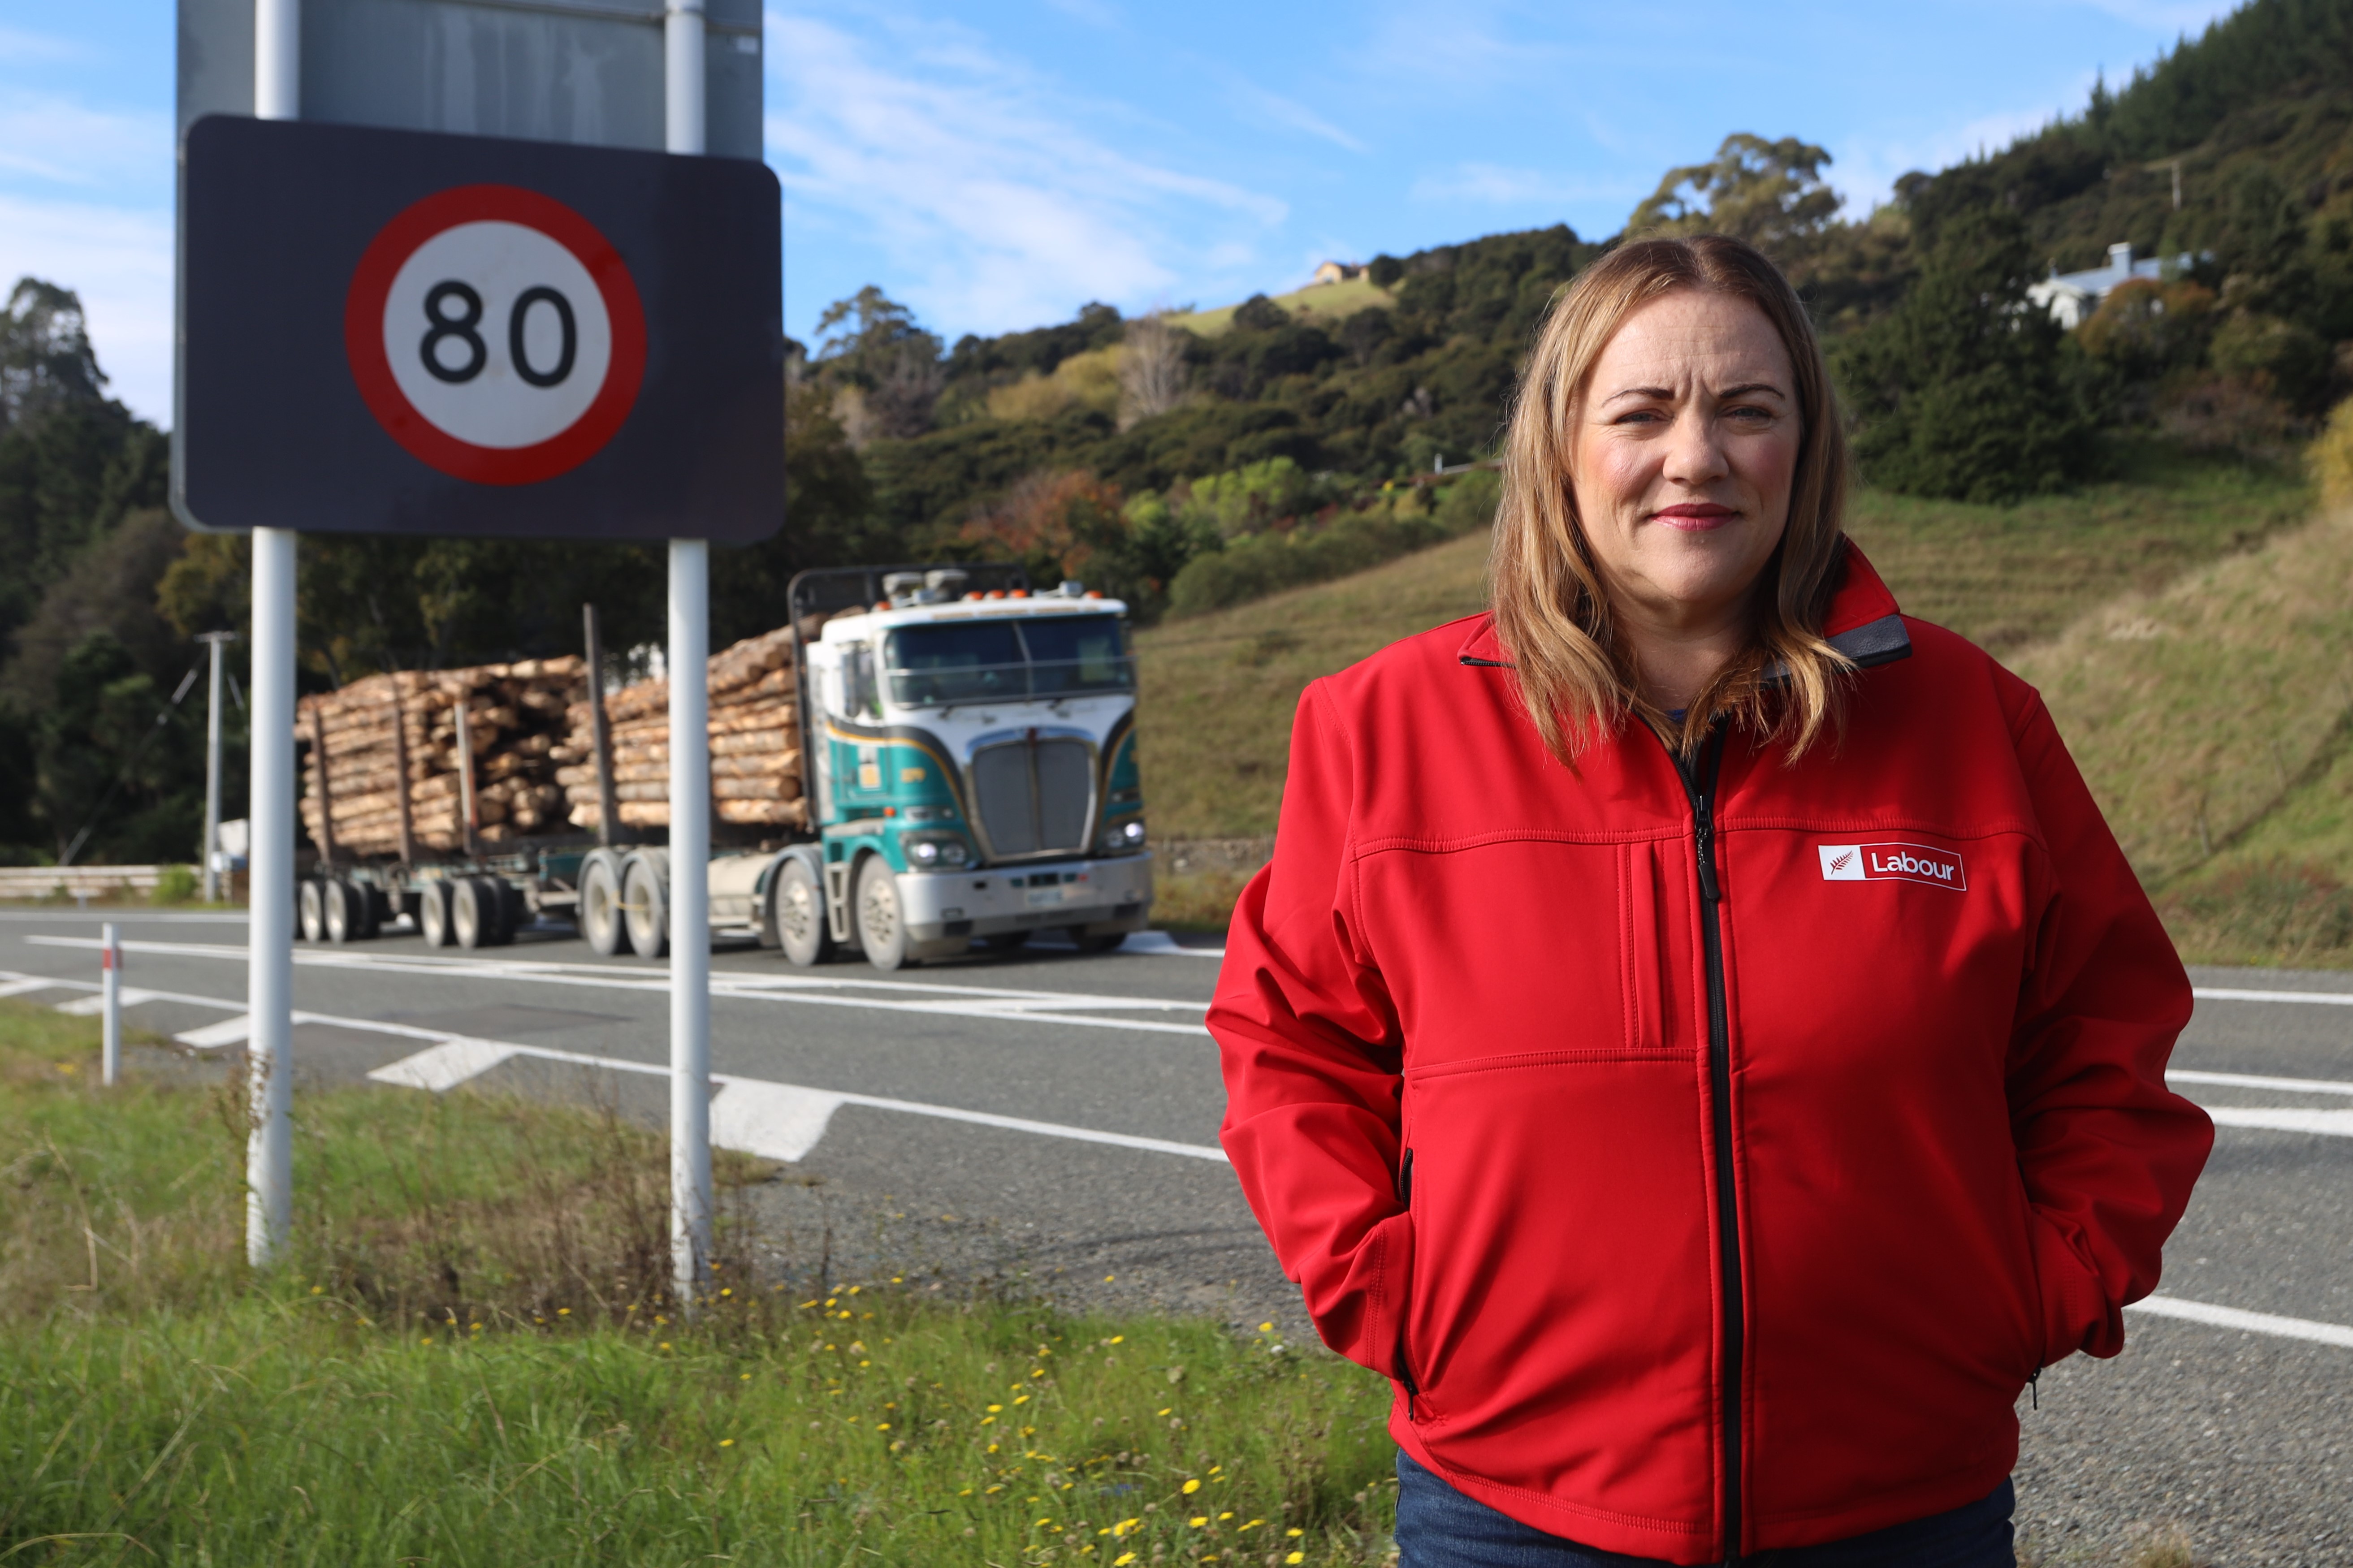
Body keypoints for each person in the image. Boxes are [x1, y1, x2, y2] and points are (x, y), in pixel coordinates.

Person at [1208, 235, 2213, 1568]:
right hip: (1514, 1505)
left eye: (1748, 408)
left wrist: (2036, 1289)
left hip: (1900, 1500)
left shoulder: (1975, 719)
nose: (1697, 456)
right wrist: (1392, 1296)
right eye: (1640, 412)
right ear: (1560, 446)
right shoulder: (1376, 729)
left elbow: (2107, 1037)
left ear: (1806, 443)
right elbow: (1288, 1047)